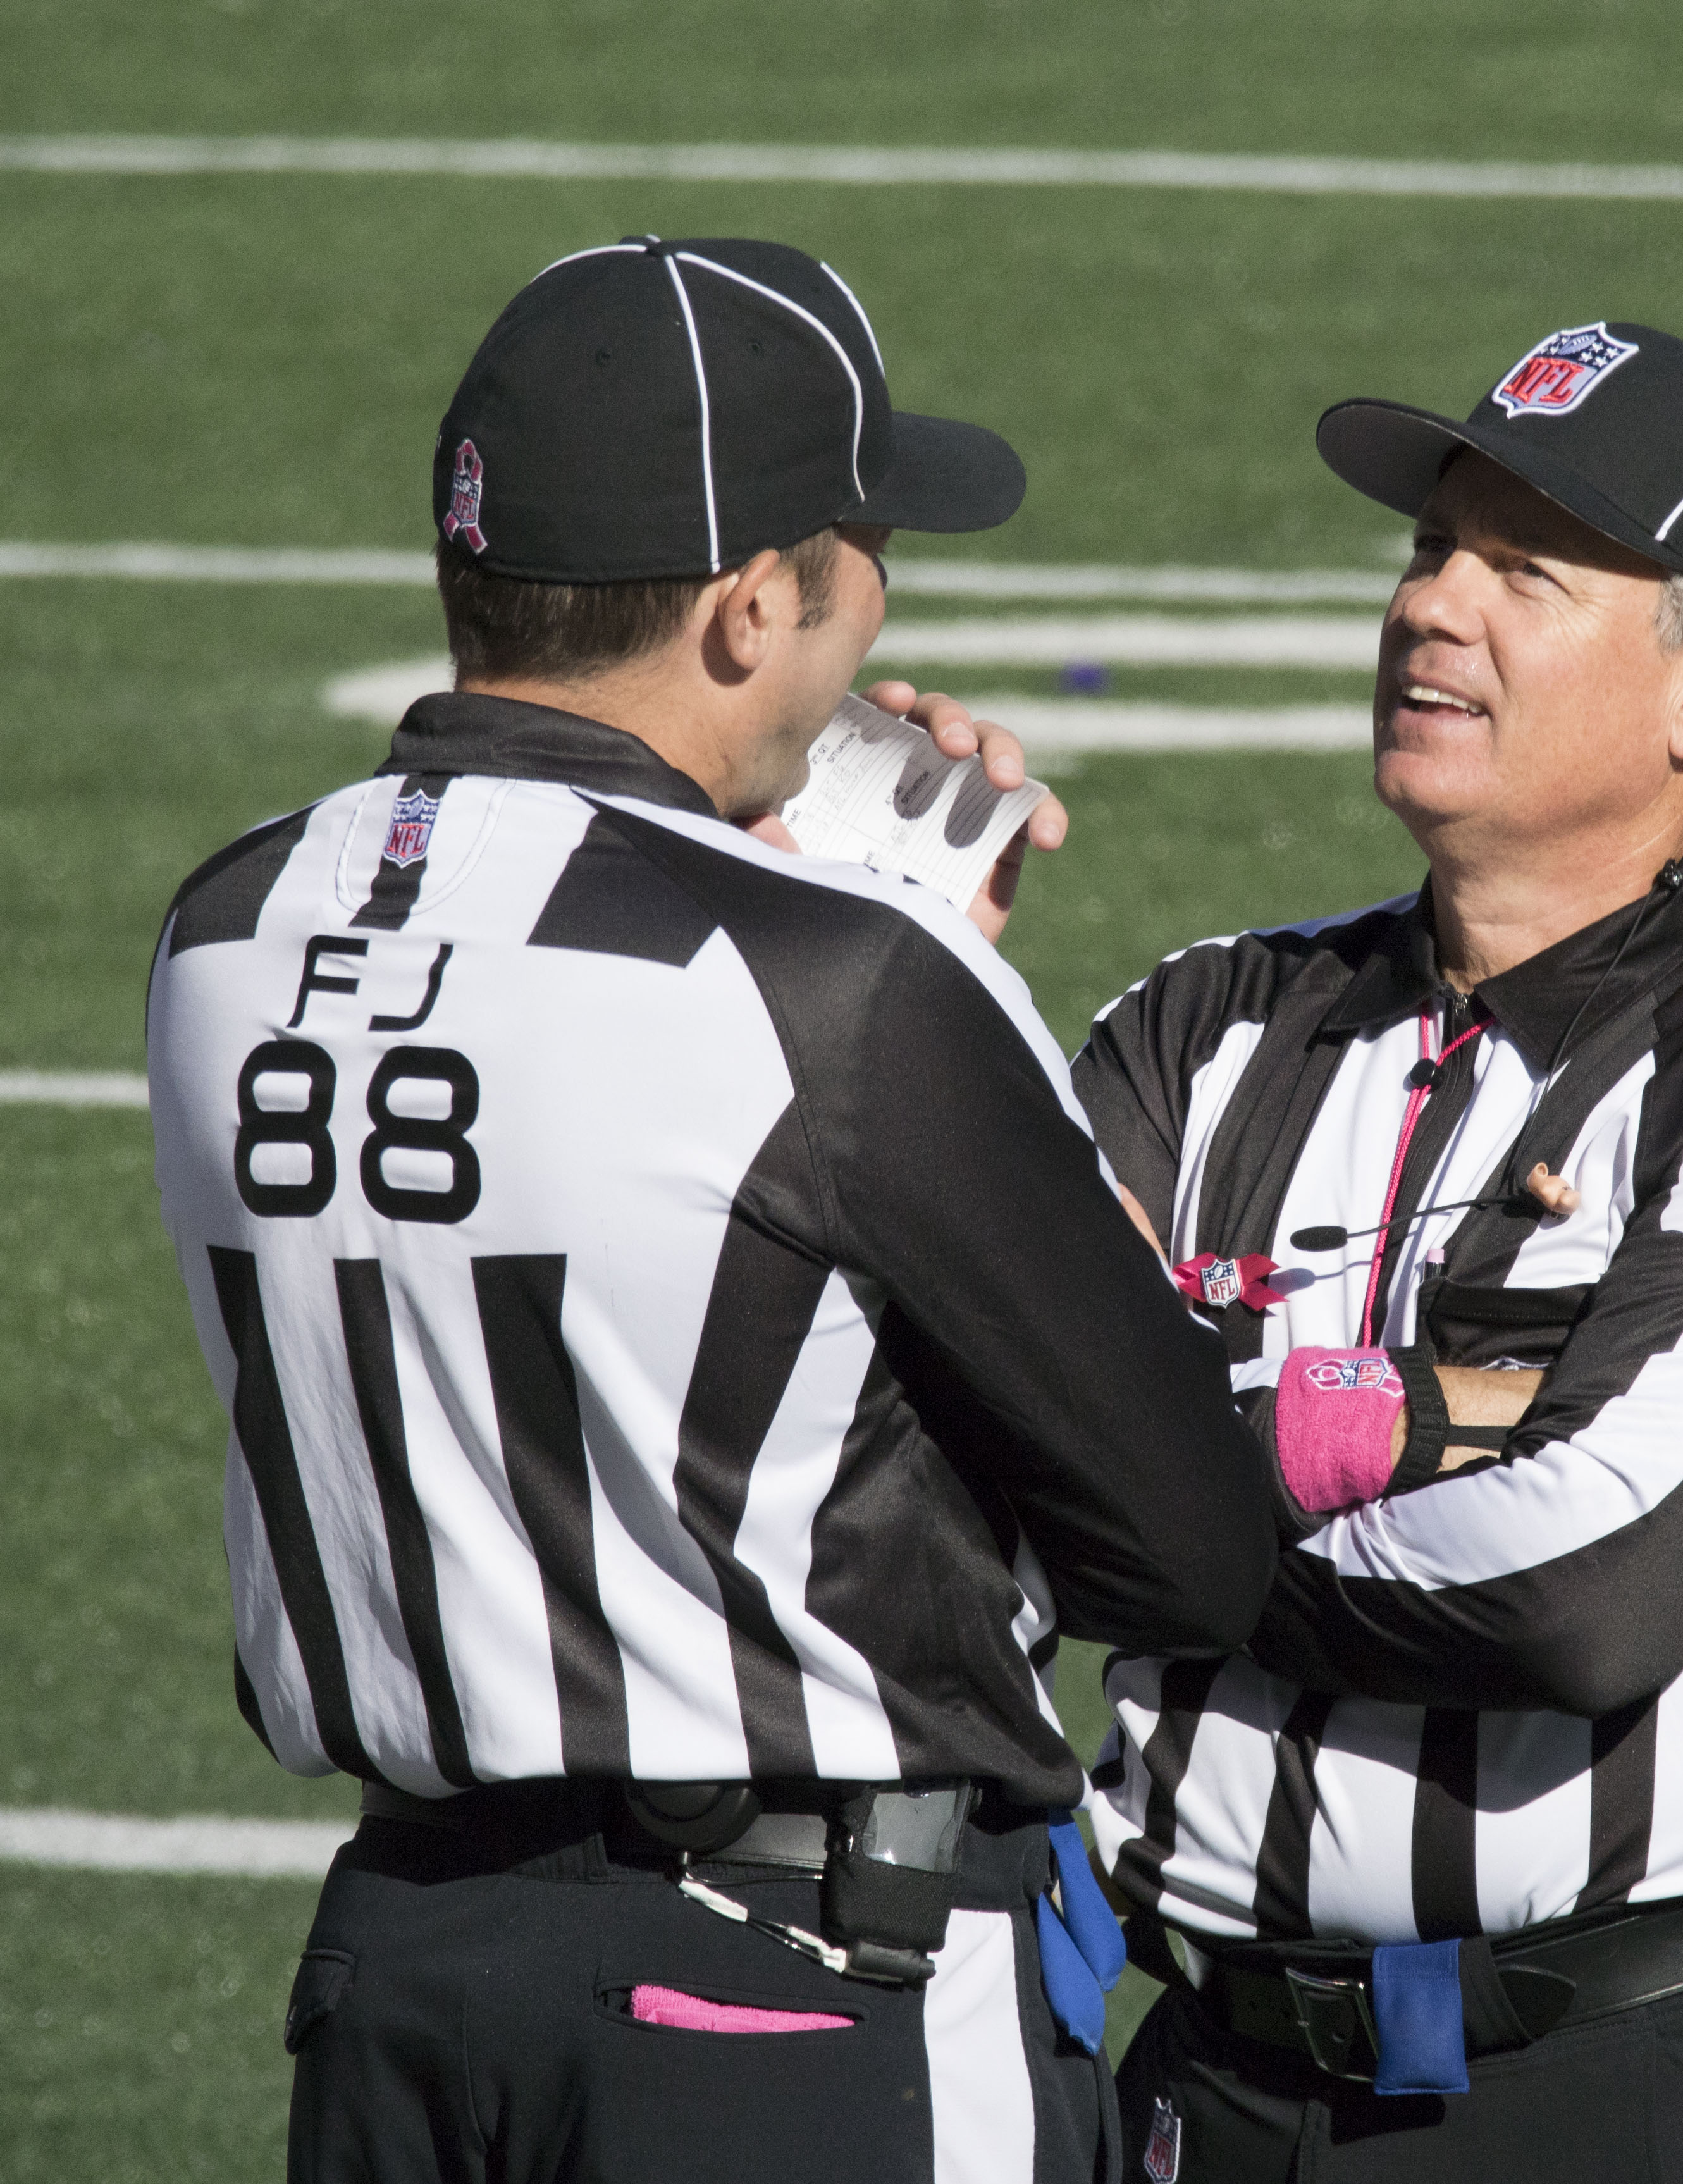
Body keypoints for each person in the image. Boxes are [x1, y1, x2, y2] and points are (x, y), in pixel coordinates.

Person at [144, 234, 1283, 2184]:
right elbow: (1188, 1552)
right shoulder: (843, 984)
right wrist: (918, 948)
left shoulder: (223, 928)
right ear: (753, 605)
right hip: (793, 2010)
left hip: (404, 1976)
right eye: (862, 562)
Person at [1068, 323, 1683, 2181]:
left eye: (1527, 572)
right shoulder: (1207, 1026)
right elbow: (957, 1442)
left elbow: (1597, 1590)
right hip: (1218, 2080)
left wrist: (1173, 1513)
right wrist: (1426, 1420)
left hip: (1646, 2079)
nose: (1434, 610)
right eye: (1431, 553)